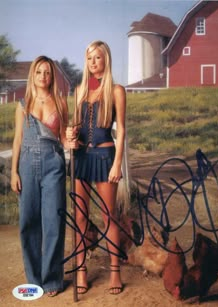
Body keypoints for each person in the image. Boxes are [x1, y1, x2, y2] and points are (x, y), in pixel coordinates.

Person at [66, 40, 126, 295]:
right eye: (89, 58)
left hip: (104, 157)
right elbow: (75, 124)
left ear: (106, 60)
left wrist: (117, 164)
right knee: (80, 216)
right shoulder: (80, 90)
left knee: (108, 216)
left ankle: (115, 271)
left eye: (97, 57)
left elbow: (121, 130)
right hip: (81, 157)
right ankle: (81, 270)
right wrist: (71, 133)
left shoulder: (116, 90)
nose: (93, 62)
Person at [11, 55, 68, 297]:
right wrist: (13, 171)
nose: (44, 76)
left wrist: (72, 140)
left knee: (53, 222)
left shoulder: (61, 103)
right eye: (39, 72)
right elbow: (18, 139)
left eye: (48, 73)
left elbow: (64, 139)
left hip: (53, 165)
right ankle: (34, 279)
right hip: (27, 165)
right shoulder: (23, 105)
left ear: (52, 76)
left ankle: (52, 279)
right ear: (33, 75)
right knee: (29, 222)